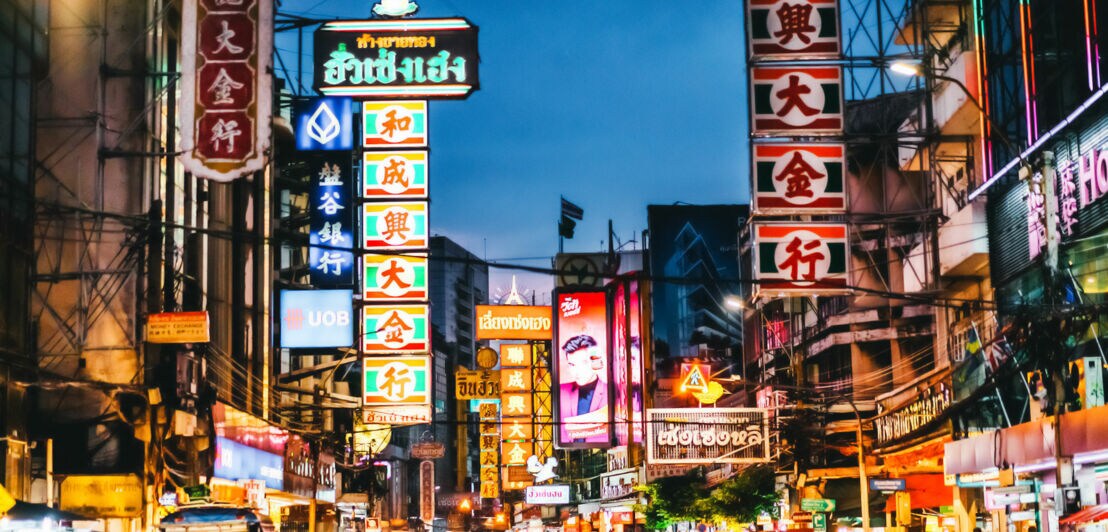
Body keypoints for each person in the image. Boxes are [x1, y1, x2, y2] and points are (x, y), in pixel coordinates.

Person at [559, 334, 608, 417]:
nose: (577, 371)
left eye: (583, 363)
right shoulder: (560, 391)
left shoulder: (612, 392)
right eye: (572, 364)